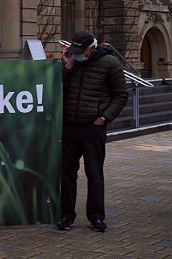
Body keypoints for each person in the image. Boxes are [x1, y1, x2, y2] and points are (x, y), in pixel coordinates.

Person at [57, 30, 128, 233]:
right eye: (74, 50)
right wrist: (68, 68)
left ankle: (96, 216)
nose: (77, 54)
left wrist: (104, 118)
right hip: (69, 126)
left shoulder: (110, 63)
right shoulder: (70, 60)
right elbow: (59, 88)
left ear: (92, 49)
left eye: (81, 51)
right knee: (67, 173)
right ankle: (66, 215)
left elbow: (121, 94)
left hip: (93, 127)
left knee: (94, 173)